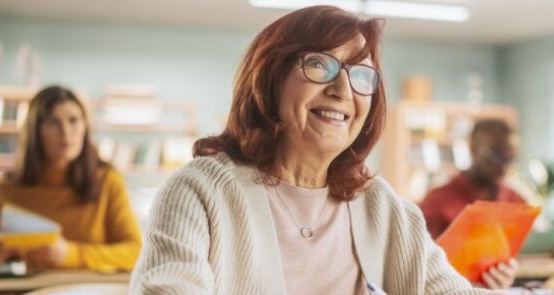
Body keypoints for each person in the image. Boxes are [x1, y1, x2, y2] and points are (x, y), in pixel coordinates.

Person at [129, 6, 488, 294]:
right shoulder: (199, 191)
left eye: (361, 74)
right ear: (269, 78)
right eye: (319, 64)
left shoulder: (382, 205)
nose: (343, 90)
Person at [0, 86, 142, 272]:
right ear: (35, 131)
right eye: (53, 122)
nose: (66, 131)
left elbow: (135, 252)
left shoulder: (108, 181)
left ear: (85, 126)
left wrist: (71, 254)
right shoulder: (4, 190)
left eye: (73, 120)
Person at [420, 119, 554, 290]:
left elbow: (529, 249)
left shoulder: (516, 201)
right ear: (473, 149)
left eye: (510, 159)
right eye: (496, 157)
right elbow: (418, 264)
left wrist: (553, 249)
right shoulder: (437, 201)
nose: (504, 167)